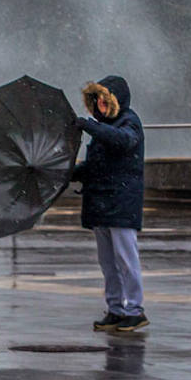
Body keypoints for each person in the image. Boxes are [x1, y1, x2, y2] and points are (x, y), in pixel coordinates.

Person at [73, 75, 148, 332]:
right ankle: (116, 308)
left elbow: (122, 140)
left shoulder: (129, 122)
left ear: (115, 101)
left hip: (121, 202)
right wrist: (68, 173)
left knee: (126, 259)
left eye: (105, 102)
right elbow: (95, 166)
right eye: (97, 102)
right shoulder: (103, 128)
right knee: (107, 262)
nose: (100, 107)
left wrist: (89, 126)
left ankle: (135, 309)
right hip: (102, 203)